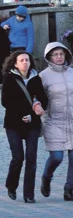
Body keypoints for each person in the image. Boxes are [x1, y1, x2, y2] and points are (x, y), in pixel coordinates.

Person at [2, 50, 49, 203]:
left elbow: (43, 100)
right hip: (13, 123)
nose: (25, 63)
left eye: (27, 60)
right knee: (18, 157)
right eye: (21, 60)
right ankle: (11, 185)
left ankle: (29, 194)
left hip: (32, 124)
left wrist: (34, 112)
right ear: (15, 63)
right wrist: (22, 114)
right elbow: (6, 101)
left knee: (31, 158)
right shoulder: (9, 78)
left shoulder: (36, 78)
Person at [39, 42, 73, 201]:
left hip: (72, 120)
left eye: (61, 53)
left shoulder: (72, 73)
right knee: (57, 156)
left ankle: (69, 189)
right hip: (54, 120)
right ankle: (46, 177)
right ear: (49, 57)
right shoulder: (43, 76)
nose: (59, 57)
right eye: (55, 54)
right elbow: (35, 97)